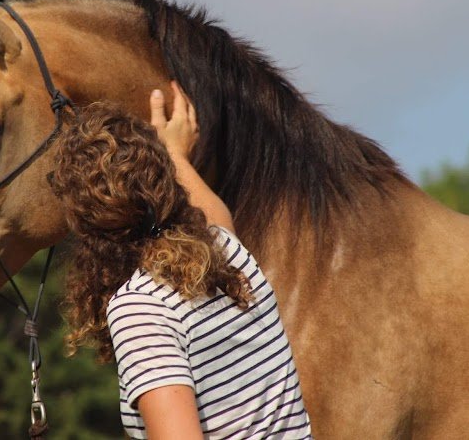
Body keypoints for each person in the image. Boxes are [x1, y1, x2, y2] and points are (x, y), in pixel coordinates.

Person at [49, 82, 312, 439]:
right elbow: (215, 213)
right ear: (166, 183)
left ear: (81, 223)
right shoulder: (226, 251)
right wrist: (173, 153)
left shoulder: (139, 308)